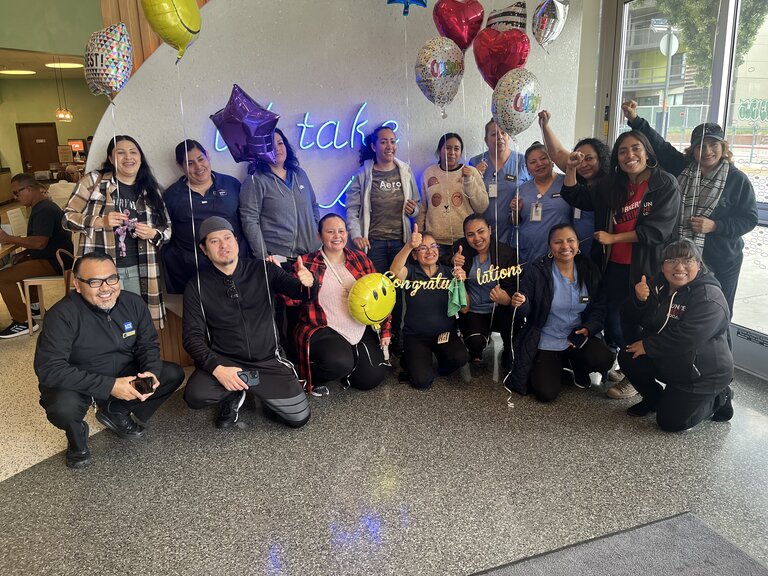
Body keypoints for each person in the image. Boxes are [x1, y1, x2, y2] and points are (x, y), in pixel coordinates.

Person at [34, 252, 184, 468]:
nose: (106, 288)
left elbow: (147, 344)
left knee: (169, 374)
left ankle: (116, 411)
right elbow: (50, 369)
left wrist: (150, 371)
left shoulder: (133, 303)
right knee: (63, 408)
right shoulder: (61, 315)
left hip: (122, 372)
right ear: (77, 284)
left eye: (111, 278)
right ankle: (76, 435)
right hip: (79, 381)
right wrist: (110, 386)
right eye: (94, 282)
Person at [561, 132, 681, 400]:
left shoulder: (664, 184)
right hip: (614, 264)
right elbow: (574, 195)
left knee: (643, 323)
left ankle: (638, 377)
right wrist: (570, 168)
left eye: (635, 149)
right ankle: (631, 368)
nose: (630, 156)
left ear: (647, 152)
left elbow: (657, 232)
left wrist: (613, 237)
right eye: (623, 151)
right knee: (616, 323)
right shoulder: (612, 185)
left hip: (646, 268)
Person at [622, 101, 758, 316]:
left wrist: (715, 226)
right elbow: (660, 146)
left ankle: (716, 350)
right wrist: (634, 119)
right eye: (700, 146)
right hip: (681, 256)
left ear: (723, 147)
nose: (707, 151)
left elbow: (749, 218)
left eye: (713, 145)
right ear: (693, 150)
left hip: (721, 259)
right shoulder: (684, 168)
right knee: (678, 309)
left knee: (717, 310)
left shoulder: (736, 179)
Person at [182, 217, 315, 429]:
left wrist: (308, 282)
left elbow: (301, 293)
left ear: (236, 240)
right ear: (204, 249)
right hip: (226, 362)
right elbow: (192, 337)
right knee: (196, 395)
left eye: (227, 238)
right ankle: (236, 390)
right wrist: (217, 368)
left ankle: (243, 387)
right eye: (215, 241)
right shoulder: (196, 286)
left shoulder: (264, 270)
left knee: (299, 417)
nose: (224, 245)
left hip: (267, 362)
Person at [618, 239, 733, 431]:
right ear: (663, 266)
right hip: (671, 360)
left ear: (699, 264)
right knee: (628, 356)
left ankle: (720, 397)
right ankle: (653, 399)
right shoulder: (658, 285)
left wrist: (648, 346)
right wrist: (638, 300)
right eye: (671, 260)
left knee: (670, 423)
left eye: (687, 260)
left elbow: (687, 337)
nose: (679, 267)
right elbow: (627, 316)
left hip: (701, 374)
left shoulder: (709, 296)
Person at [63, 135, 171, 327]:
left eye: (133, 152)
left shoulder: (151, 189)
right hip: (98, 273)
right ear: (111, 159)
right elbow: (67, 218)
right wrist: (99, 221)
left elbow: (167, 229)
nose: (128, 157)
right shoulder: (93, 182)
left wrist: (153, 233)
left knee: (135, 323)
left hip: (140, 270)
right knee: (97, 325)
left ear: (140, 157)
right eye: (120, 152)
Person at [504, 224, 614, 402]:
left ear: (578, 244)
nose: (565, 246)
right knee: (545, 394)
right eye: (558, 242)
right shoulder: (537, 271)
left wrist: (588, 328)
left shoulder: (589, 269)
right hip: (547, 338)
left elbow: (599, 306)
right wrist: (519, 303)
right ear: (550, 246)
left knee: (604, 358)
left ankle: (576, 366)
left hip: (577, 337)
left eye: (570, 241)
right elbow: (523, 310)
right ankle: (558, 365)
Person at [292, 214, 390, 397]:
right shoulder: (306, 263)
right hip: (322, 327)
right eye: (330, 231)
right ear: (319, 236)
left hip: (358, 325)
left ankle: (346, 364)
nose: (337, 236)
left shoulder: (360, 259)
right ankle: (306, 377)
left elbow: (380, 296)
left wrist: (385, 329)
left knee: (371, 378)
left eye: (341, 231)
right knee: (338, 362)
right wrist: (299, 284)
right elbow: (290, 301)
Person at [346, 125, 421, 354]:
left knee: (397, 294)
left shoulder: (405, 171)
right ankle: (374, 338)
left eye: (393, 141)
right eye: (384, 142)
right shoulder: (363, 174)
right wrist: (356, 235)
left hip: (400, 243)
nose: (390, 146)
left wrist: (413, 210)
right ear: (374, 146)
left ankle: (395, 338)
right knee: (376, 294)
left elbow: (417, 206)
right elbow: (352, 209)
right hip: (374, 244)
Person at [389, 224, 468, 389]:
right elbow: (394, 271)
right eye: (422, 248)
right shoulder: (411, 272)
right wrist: (409, 245)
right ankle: (411, 359)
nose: (430, 251)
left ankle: (435, 364)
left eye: (433, 247)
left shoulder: (449, 273)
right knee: (422, 381)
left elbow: (465, 308)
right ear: (415, 256)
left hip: (444, 334)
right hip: (416, 336)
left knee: (460, 358)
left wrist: (461, 283)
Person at [162, 139, 245, 294]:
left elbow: (247, 221)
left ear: (208, 156)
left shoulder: (231, 185)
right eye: (190, 163)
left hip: (234, 265)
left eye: (201, 159)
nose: (198, 167)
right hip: (194, 271)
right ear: (180, 166)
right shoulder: (172, 195)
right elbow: (166, 232)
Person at [0, 174, 73, 338]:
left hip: (56, 262)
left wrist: (9, 239)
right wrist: (25, 253)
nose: (15, 197)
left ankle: (22, 321)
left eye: (17, 193)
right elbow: (42, 240)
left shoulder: (44, 210)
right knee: (18, 264)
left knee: (3, 277)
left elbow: (40, 243)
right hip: (56, 257)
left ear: (29, 189)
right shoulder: (42, 206)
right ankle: (35, 308)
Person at [538, 110, 612, 257]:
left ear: (601, 159)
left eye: (590, 159)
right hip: (574, 252)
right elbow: (557, 152)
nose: (584, 164)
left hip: (603, 252)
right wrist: (544, 126)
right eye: (580, 159)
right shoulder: (576, 177)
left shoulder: (610, 184)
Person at [240, 127, 320, 261]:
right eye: (270, 145)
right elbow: (250, 220)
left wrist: (315, 231)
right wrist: (263, 255)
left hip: (309, 254)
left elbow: (313, 205)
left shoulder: (299, 174)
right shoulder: (255, 179)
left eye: (280, 143)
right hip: (278, 257)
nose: (277, 148)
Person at [452, 213, 519, 367]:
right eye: (470, 234)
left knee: (512, 348)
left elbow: (514, 287)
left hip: (500, 308)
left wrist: (506, 299)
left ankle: (509, 350)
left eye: (481, 231)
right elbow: (441, 262)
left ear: (490, 230)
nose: (477, 238)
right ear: (465, 236)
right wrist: (452, 261)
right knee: (475, 342)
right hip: (473, 310)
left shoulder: (507, 253)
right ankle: (475, 351)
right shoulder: (460, 248)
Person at [417, 133, 488, 253]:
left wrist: (469, 181)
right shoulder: (429, 173)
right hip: (435, 242)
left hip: (465, 239)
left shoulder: (471, 172)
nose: (452, 152)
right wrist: (418, 235)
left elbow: (482, 207)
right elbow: (422, 207)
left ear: (461, 152)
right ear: (440, 151)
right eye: (448, 148)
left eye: (456, 148)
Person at [509, 141, 572, 266]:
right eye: (533, 162)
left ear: (552, 161)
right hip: (529, 250)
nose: (539, 164)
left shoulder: (567, 183)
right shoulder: (522, 189)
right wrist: (515, 211)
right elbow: (515, 222)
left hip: (560, 250)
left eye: (543, 158)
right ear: (527, 168)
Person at [470, 119, 530, 245]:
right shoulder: (475, 162)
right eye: (494, 134)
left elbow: (533, 190)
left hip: (514, 230)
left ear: (509, 137)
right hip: (482, 233)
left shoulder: (523, 161)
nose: (500, 137)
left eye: (503, 133)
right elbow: (469, 195)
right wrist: (474, 175)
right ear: (486, 140)